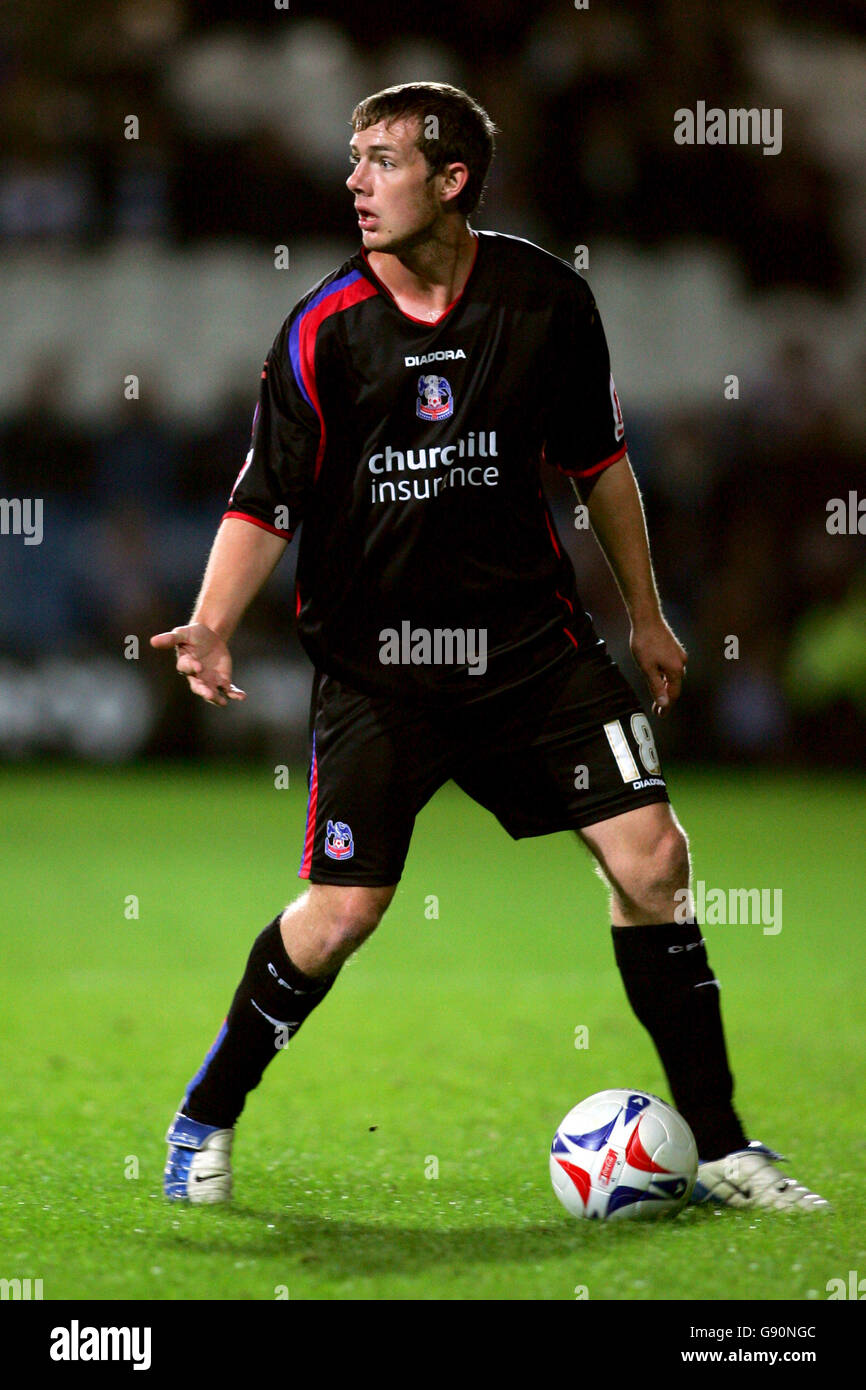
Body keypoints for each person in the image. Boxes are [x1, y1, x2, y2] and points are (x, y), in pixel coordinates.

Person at [152, 82, 827, 1213]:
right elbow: (263, 498)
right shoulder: (323, 333)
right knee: (338, 916)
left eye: (380, 161)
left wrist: (647, 614)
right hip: (380, 672)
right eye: (352, 160)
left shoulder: (546, 299)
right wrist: (213, 620)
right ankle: (203, 1116)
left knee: (653, 861)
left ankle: (720, 1146)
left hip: (532, 652)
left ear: (451, 179)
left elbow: (598, 464)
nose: (355, 182)